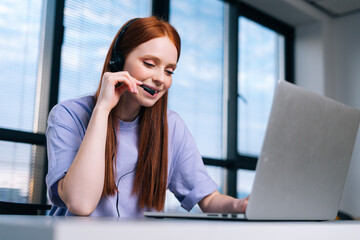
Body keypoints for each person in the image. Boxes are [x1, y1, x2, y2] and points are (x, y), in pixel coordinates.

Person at [46, 16, 249, 217]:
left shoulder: (171, 126)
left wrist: (241, 205)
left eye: (169, 71)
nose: (161, 79)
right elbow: (80, 203)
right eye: (150, 64)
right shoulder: (68, 116)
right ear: (118, 61)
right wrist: (102, 109)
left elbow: (209, 200)